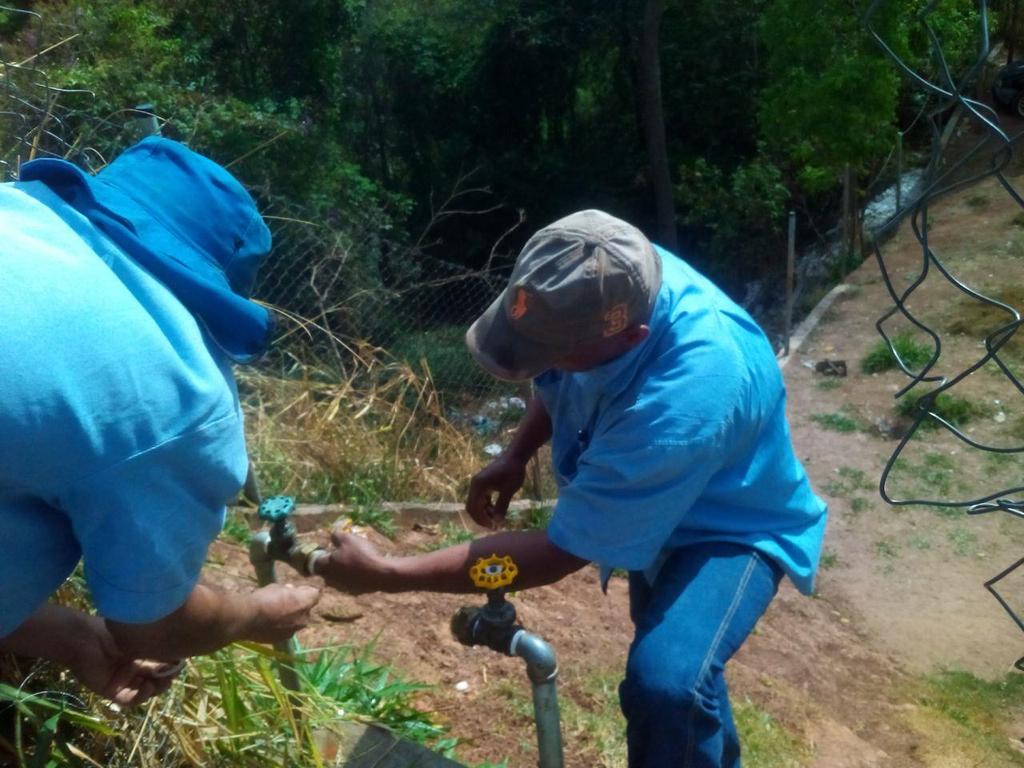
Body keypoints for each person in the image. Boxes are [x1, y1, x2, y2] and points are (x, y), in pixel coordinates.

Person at [318, 209, 827, 767]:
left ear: (632, 337)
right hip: (651, 497)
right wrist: (516, 453)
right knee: (682, 679)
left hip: (730, 522)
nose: (542, 366)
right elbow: (561, 370)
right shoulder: (602, 270)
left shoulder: (690, 392)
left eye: (552, 354)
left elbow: (563, 550)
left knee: (667, 682)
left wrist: (389, 575)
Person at [0, 137, 320, 706]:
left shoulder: (16, 212)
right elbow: (151, 627)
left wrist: (71, 640)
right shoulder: (178, 395)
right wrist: (255, 614)